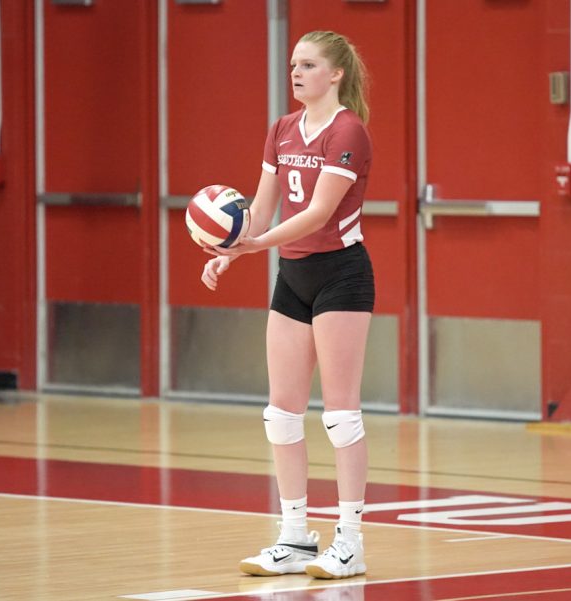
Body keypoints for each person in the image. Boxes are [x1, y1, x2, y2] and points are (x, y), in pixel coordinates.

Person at [200, 30, 373, 580]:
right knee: (281, 414)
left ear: (336, 74)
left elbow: (319, 214)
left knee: (341, 416)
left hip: (341, 276)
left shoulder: (349, 131)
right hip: (292, 277)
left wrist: (254, 244)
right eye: (293, 64)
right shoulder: (281, 129)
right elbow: (260, 209)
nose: (295, 72)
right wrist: (230, 250)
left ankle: (350, 541)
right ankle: (295, 537)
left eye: (308, 65)